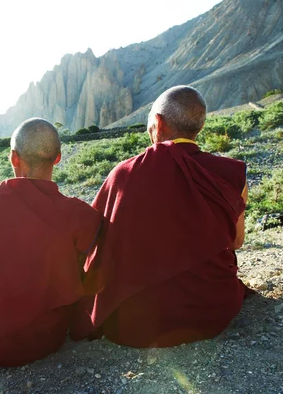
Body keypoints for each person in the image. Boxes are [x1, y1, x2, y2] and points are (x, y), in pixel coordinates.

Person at [71, 86, 252, 348]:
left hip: (134, 325)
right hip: (212, 312)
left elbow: (96, 246)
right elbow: (236, 242)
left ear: (158, 122)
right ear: (198, 126)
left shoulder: (123, 174)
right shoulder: (233, 173)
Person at [0, 118, 102, 366]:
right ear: (57, 158)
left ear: (13, 158)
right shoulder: (76, 213)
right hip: (42, 340)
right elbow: (93, 266)